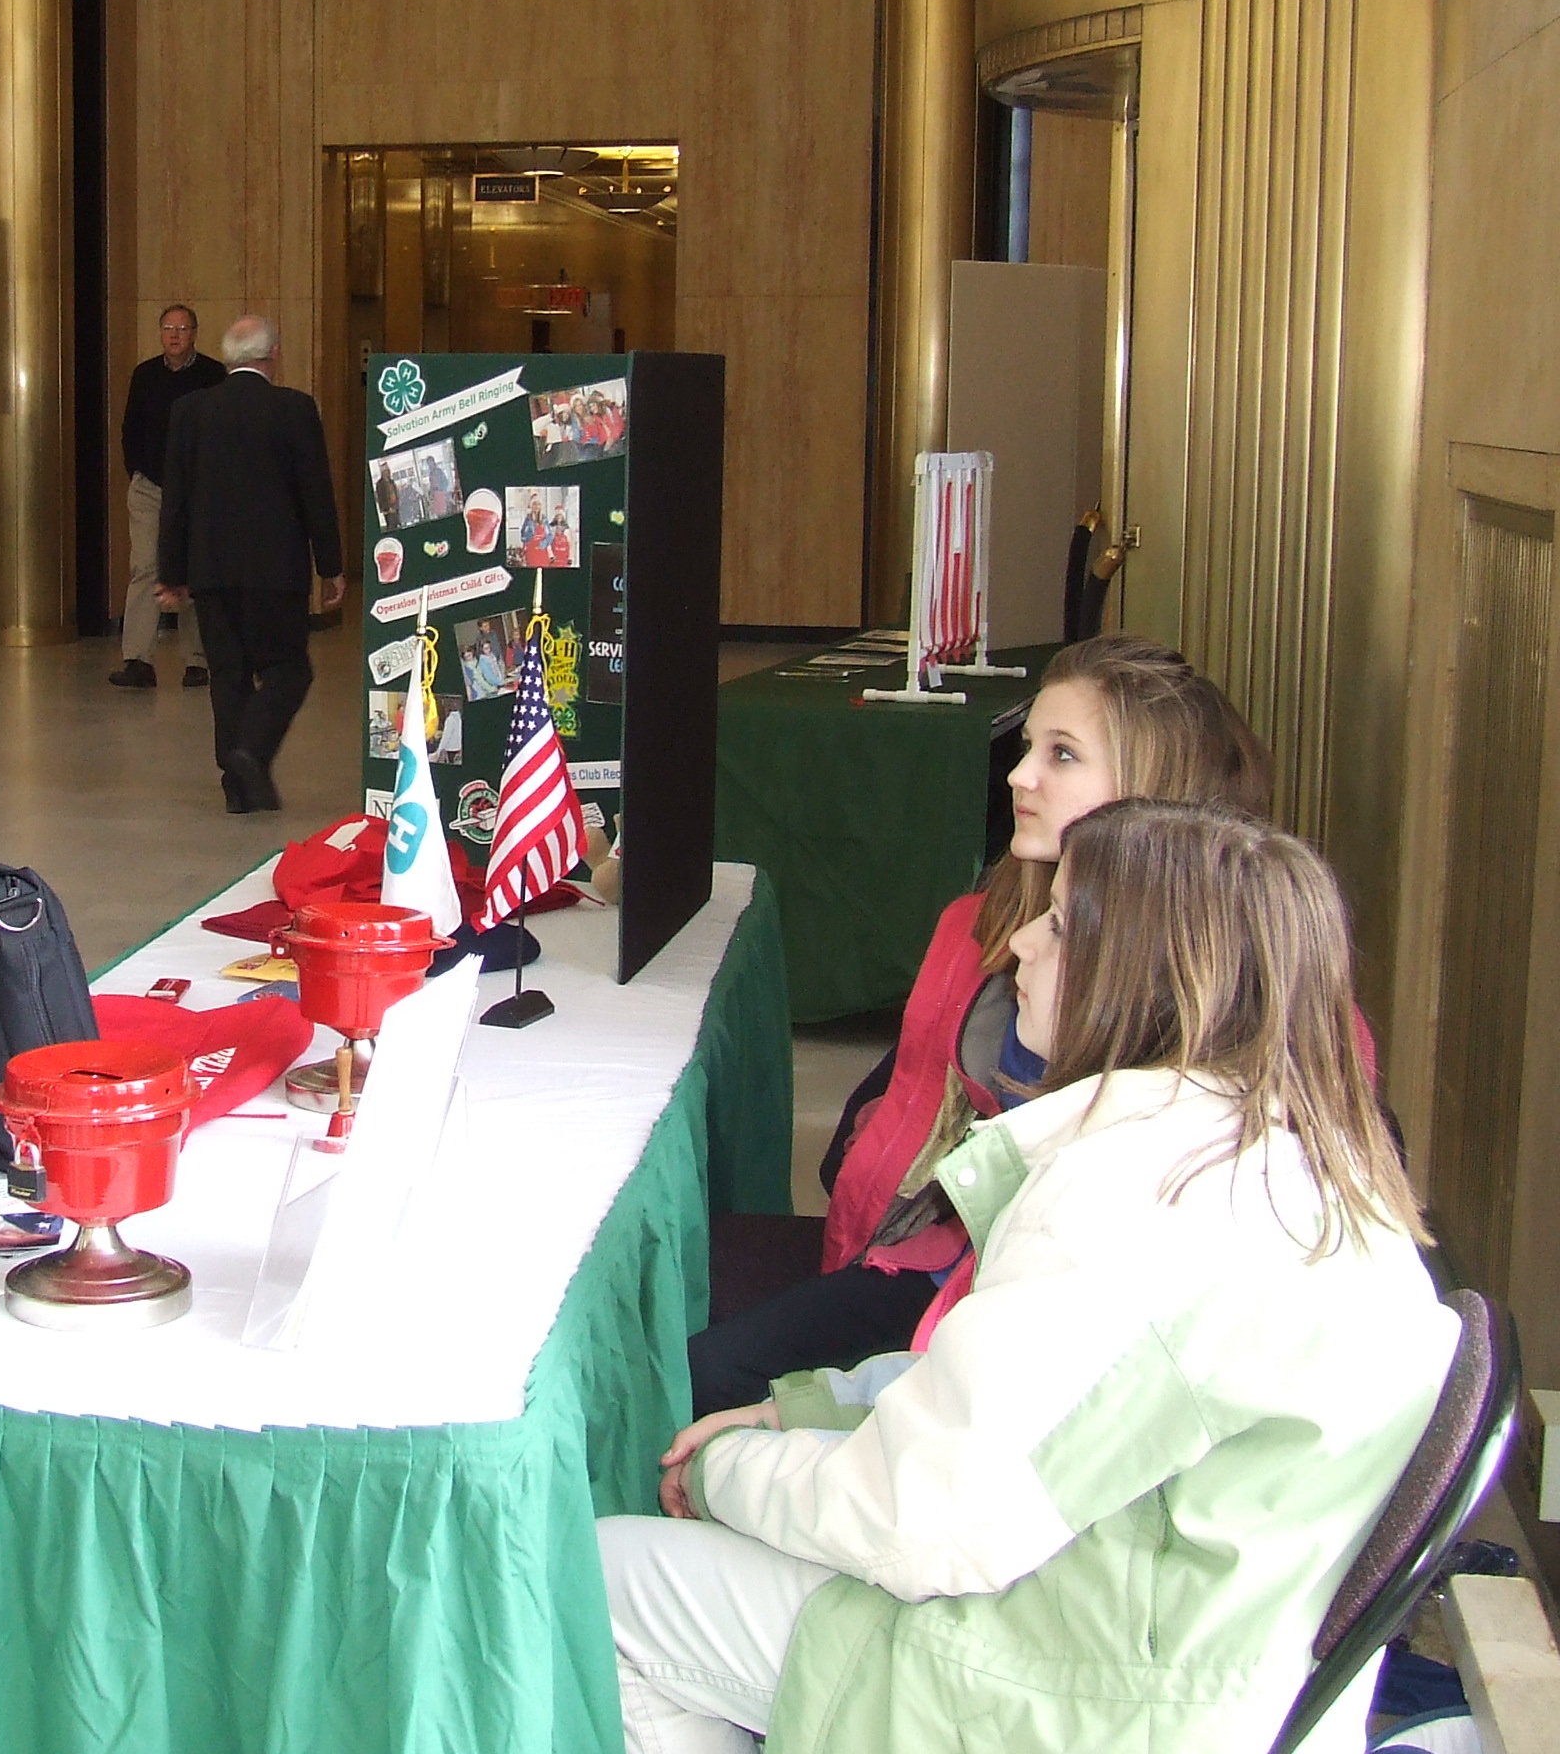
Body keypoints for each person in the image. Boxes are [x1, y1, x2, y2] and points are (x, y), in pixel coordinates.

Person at [603, 799, 1452, 1753]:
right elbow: (1030, 1421)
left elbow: (923, 1525)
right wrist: (797, 1416)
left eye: (1061, 921)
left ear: (1140, 973)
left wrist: (724, 1475)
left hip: (1070, 1697)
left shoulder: (1133, 1195)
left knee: (599, 1583)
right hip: (1178, 1654)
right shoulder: (1297, 1158)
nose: (1023, 946)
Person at [689, 635, 1272, 1416]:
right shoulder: (983, 920)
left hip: (1021, 1320)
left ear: (1149, 797)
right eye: (1031, 746)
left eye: (1063, 756)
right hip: (916, 1264)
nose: (1019, 776)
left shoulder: (1230, 984)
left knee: (704, 1377)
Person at [156, 314, 343, 815]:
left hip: (211, 569)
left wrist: (172, 573)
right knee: (288, 669)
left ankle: (239, 785)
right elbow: (315, 495)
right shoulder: (294, 409)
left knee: (229, 673)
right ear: (272, 354)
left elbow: (175, 498)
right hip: (275, 570)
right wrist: (332, 565)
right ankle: (249, 753)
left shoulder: (191, 410)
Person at [110, 303, 224, 690]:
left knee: (193, 570)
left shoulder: (212, 375)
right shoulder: (145, 375)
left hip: (196, 490)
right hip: (150, 487)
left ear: (194, 333)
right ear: (160, 334)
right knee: (146, 566)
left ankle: (197, 661)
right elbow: (131, 429)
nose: (174, 335)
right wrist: (138, 470)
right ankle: (137, 659)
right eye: (168, 328)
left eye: (183, 328)